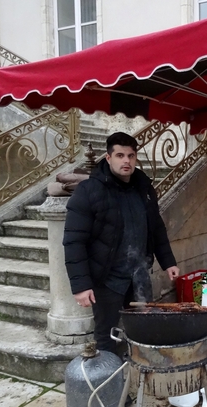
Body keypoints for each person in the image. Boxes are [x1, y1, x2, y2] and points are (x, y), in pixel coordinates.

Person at [63, 132, 180, 353]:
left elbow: (156, 227)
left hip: (139, 276)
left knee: (143, 329)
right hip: (107, 279)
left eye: (130, 155)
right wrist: (81, 286)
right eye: (119, 155)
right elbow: (74, 240)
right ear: (108, 158)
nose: (126, 160)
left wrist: (168, 262)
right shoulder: (90, 191)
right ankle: (110, 382)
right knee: (107, 335)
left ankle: (138, 374)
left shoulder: (144, 189)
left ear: (135, 158)